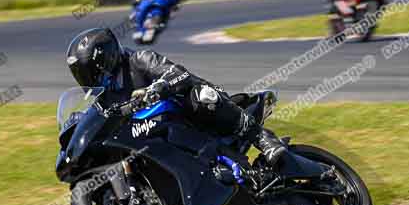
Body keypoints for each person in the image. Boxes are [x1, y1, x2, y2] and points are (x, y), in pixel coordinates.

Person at [66, 28, 289, 165]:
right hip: (154, 135)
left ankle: (262, 138)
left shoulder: (140, 59)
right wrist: (77, 123)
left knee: (204, 96)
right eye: (81, 74)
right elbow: (100, 115)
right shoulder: (107, 94)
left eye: (88, 71)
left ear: (104, 59)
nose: (86, 78)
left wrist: (157, 89)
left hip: (188, 110)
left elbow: (178, 74)